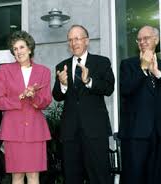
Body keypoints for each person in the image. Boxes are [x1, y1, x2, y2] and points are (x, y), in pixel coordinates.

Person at [119, 25, 161, 184]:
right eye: (139, 39)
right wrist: (143, 68)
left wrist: (158, 74)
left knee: (155, 178)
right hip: (135, 134)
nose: (142, 42)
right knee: (133, 179)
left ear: (156, 40)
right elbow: (125, 90)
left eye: (146, 38)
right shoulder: (128, 65)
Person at [52, 24, 115, 184]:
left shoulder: (101, 62)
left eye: (77, 38)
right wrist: (63, 84)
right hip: (70, 133)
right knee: (72, 177)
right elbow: (57, 96)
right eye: (70, 40)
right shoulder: (61, 66)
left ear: (87, 41)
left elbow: (109, 88)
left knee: (100, 177)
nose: (74, 43)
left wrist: (89, 81)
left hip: (95, 131)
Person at [0, 30, 52, 184]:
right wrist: (18, 99)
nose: (18, 52)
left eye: (21, 47)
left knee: (34, 176)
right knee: (17, 176)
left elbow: (46, 101)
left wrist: (33, 96)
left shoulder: (44, 71)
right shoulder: (4, 70)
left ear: (30, 48)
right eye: (15, 49)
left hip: (35, 131)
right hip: (12, 131)